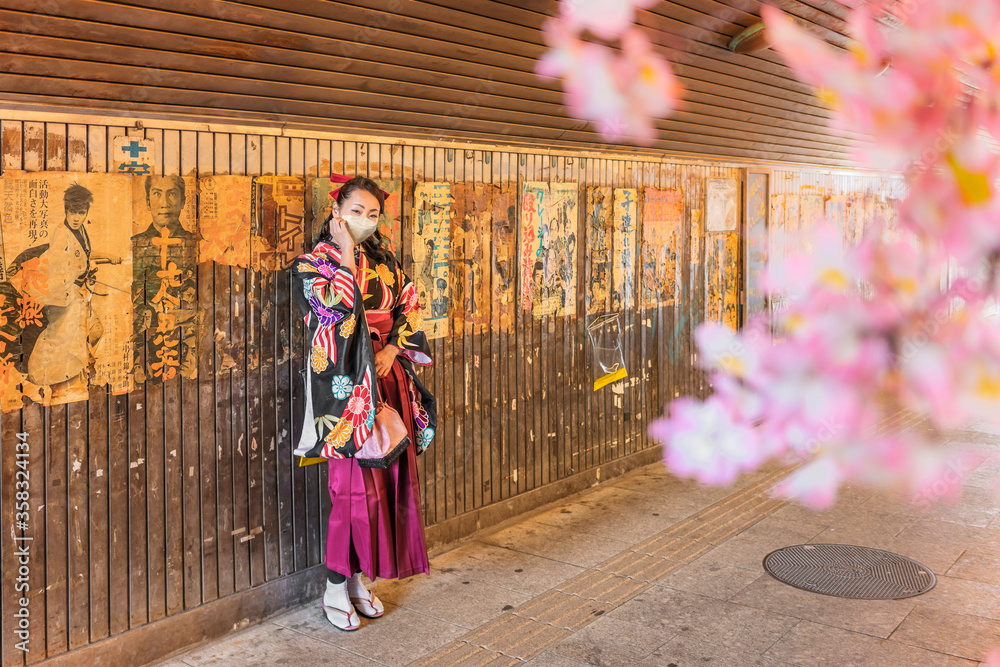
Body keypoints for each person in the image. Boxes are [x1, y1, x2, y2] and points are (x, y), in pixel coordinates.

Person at [291, 175, 436, 632]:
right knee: (351, 492)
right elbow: (338, 309)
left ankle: (354, 582)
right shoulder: (312, 264)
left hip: (388, 382)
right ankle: (335, 585)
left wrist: (393, 349)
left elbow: (409, 305)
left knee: (384, 489)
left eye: (373, 214)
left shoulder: (386, 262)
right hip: (348, 392)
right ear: (336, 212)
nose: (366, 221)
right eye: (357, 211)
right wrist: (347, 254)